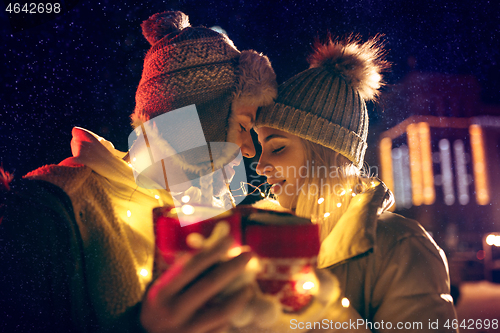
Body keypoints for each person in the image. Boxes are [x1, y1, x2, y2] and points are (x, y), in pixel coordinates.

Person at [0, 11, 277, 333]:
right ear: (199, 122)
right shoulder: (46, 215)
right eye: (242, 126)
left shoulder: (207, 215)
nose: (249, 150)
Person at [254, 35, 458, 332]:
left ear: (329, 152)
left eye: (278, 147)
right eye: (261, 147)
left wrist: (323, 311)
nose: (260, 166)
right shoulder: (259, 240)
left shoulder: (402, 245)